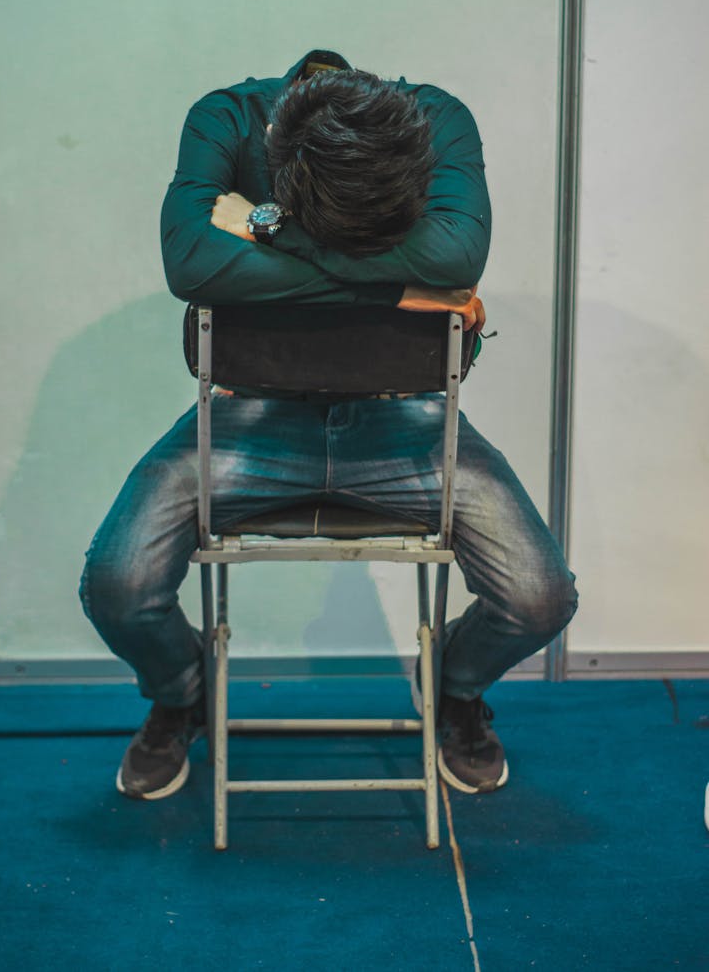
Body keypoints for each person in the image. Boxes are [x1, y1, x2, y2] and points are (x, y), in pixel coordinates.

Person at [80, 49, 578, 803]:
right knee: (117, 581)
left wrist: (264, 229)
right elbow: (189, 262)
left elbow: (456, 251)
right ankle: (183, 693)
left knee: (541, 595)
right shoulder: (226, 117)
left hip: (404, 422)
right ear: (283, 141)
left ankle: (451, 686)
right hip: (250, 417)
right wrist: (405, 283)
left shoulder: (435, 116)